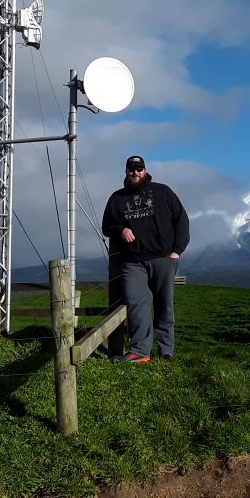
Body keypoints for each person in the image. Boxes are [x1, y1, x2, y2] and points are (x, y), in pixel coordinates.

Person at [102, 155, 190, 363]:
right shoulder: (117, 198)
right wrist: (121, 229)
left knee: (164, 305)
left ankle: (166, 350)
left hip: (163, 258)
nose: (135, 172)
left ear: (145, 170)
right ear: (125, 171)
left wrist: (177, 251)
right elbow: (106, 226)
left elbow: (181, 219)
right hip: (132, 262)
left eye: (139, 168)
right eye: (131, 169)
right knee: (135, 305)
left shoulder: (162, 191)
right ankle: (140, 352)